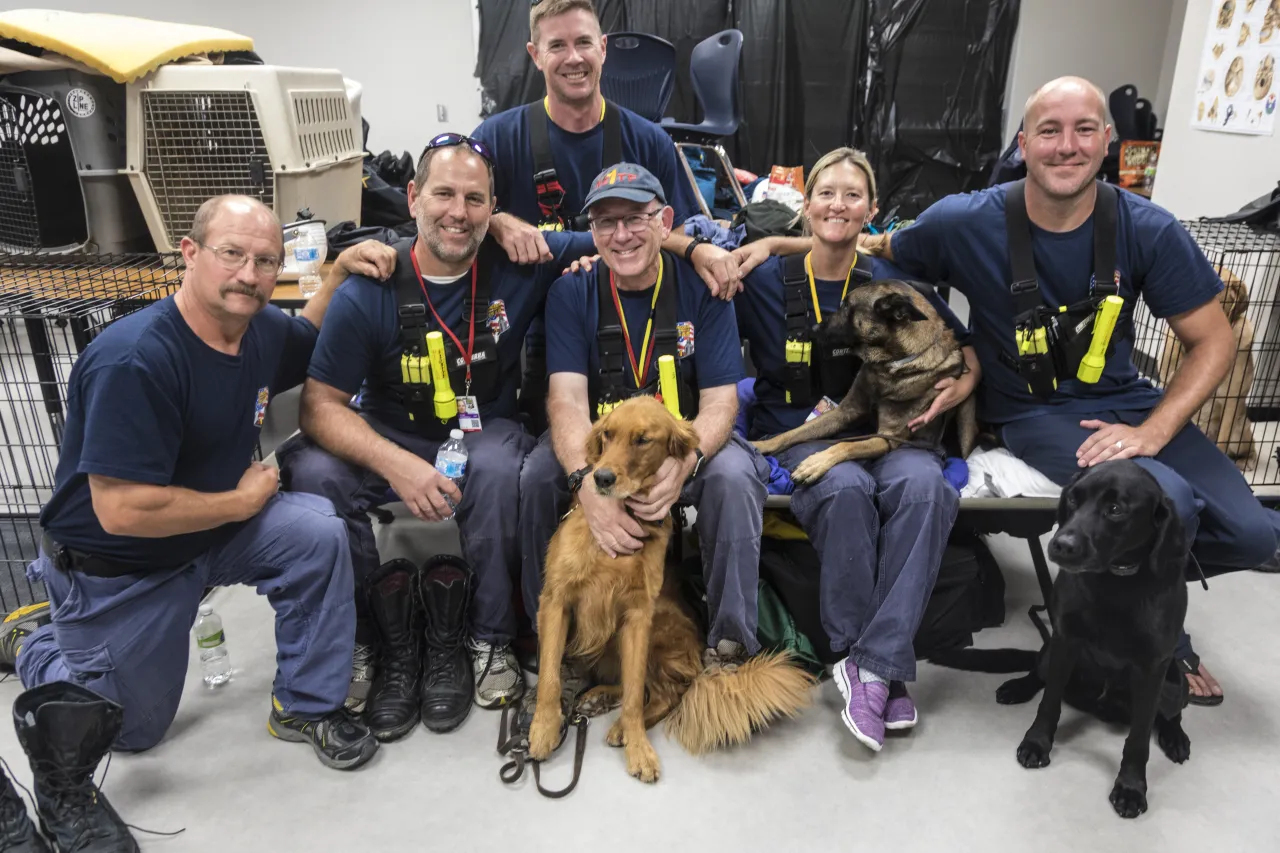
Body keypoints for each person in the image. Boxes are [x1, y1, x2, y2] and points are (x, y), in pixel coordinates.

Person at [869, 75, 1280, 705]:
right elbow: (882, 257)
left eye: (1084, 129)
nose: (1067, 146)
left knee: (1255, 535)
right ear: (1023, 142)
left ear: (1107, 139)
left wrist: (1152, 430)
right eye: (1050, 131)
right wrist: (963, 346)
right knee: (1168, 503)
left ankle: (1114, 596)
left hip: (1129, 403)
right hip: (1034, 412)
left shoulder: (1149, 228)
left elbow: (1215, 341)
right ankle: (1163, 638)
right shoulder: (963, 221)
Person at [2, 195, 390, 775]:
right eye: (231, 253)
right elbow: (121, 510)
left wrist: (336, 273)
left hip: (211, 533)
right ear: (189, 252)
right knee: (133, 731)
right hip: (125, 564)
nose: (248, 275)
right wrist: (239, 501)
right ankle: (37, 644)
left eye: (265, 261)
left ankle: (306, 706)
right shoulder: (134, 361)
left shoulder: (258, 327)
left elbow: (304, 337)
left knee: (315, 533)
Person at [276, 134, 596, 738]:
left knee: (505, 472)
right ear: (413, 197)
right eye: (444, 194)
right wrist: (398, 465)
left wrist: (704, 250)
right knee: (313, 473)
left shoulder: (521, 258)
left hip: (481, 433)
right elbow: (319, 408)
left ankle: (487, 638)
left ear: (494, 206)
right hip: (388, 432)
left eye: (476, 200)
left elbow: (619, 234)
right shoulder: (371, 280)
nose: (459, 212)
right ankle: (371, 638)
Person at [732, 148, 979, 751]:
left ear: (870, 209)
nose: (838, 205)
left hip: (894, 430)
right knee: (844, 489)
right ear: (806, 205)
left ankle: (869, 663)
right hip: (799, 430)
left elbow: (967, 355)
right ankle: (867, 659)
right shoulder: (762, 282)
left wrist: (957, 388)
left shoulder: (900, 289)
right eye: (826, 193)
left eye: (852, 195)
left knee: (924, 487)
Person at [519, 162, 770, 668]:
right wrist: (585, 482)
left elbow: (722, 400)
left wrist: (686, 462)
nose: (621, 234)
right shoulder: (573, 290)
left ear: (665, 221)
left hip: (681, 440)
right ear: (591, 232)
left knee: (735, 478)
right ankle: (546, 645)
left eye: (636, 217)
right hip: (604, 449)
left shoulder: (705, 288)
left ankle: (731, 645)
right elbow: (566, 401)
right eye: (606, 222)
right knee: (535, 476)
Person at [470, 0, 745, 432]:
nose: (574, 57)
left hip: (630, 320)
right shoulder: (496, 138)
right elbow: (448, 214)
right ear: (535, 55)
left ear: (603, 48)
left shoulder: (650, 142)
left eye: (583, 42)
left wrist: (697, 249)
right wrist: (496, 219)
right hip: (533, 324)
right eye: (557, 45)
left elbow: (672, 230)